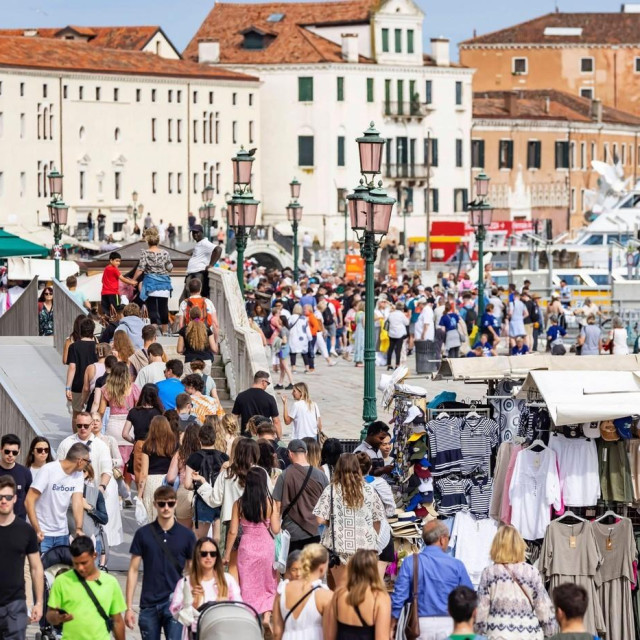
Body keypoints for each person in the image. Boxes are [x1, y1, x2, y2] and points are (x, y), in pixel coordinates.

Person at [126, 486, 196, 640]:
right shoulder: (143, 534)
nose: (166, 508)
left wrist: (192, 603)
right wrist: (129, 607)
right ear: (155, 504)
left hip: (176, 603)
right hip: (149, 603)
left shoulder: (187, 536)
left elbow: (193, 572)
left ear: (176, 504)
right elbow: (133, 570)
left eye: (170, 504)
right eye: (162, 504)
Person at [390, 520, 473, 640]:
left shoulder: (410, 562)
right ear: (442, 539)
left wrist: (393, 623)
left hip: (419, 624)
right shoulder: (456, 565)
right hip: (450, 624)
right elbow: (468, 597)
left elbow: (399, 597)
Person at [313, 453, 385, 589]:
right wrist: (372, 534)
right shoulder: (369, 490)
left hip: (339, 547)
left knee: (340, 591)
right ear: (357, 468)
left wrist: (333, 522)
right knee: (362, 591)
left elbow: (319, 518)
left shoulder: (331, 490)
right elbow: (378, 519)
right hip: (365, 547)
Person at [474, 525, 556, 640]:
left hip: (498, 634)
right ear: (520, 546)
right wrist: (549, 631)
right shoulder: (531, 572)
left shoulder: (489, 573)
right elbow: (543, 607)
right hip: (529, 634)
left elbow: (481, 609)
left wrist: (479, 631)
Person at [225, 467, 281, 630]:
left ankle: (249, 615)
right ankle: (266, 616)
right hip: (266, 547)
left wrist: (227, 553)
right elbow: (276, 530)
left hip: (246, 547)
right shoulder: (270, 503)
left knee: (248, 582)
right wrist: (275, 515)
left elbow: (233, 531)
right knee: (267, 582)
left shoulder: (239, 504)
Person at [47, 536, 125, 640]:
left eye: (84, 563)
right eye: (76, 563)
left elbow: (118, 621)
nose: (80, 568)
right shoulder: (61, 581)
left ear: (94, 556)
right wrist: (57, 618)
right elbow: (50, 614)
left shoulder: (110, 583)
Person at [170, 537, 241, 639]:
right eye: (204, 554)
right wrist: (189, 602)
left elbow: (240, 608)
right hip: (197, 634)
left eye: (213, 554)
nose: (209, 557)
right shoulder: (185, 582)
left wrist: (227, 605)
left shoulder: (227, 580)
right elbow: (176, 614)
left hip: (222, 633)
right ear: (197, 556)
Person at [0, 475, 44, 640]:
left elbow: (36, 567)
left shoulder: (26, 531)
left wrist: (38, 603)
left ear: (15, 499)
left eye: (8, 497)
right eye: (0, 497)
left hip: (16, 605)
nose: (4, 501)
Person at [25, 443, 90, 553]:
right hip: (43, 533)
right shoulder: (49, 470)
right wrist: (37, 529)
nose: (88, 465)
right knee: (41, 569)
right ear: (80, 461)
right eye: (88, 461)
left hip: (62, 534)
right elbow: (29, 500)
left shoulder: (78, 475)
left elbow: (78, 502)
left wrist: (79, 528)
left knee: (61, 570)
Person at [273, 439, 328, 553]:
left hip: (291, 533)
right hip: (315, 531)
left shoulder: (285, 475)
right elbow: (327, 504)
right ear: (306, 453)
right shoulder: (321, 475)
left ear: (290, 454)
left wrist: (275, 529)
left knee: (293, 568)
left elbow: (277, 507)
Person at [323, 549, 391, 640]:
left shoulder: (338, 595)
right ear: (374, 570)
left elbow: (329, 637)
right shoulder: (379, 598)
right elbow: (382, 637)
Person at [272, 543, 333, 640]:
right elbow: (329, 635)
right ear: (322, 567)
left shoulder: (283, 590)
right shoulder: (325, 594)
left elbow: (276, 632)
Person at [184, 422, 229, 538]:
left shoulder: (194, 458)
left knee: (199, 538)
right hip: (221, 500)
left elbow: (187, 484)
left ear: (199, 440)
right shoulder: (224, 457)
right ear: (215, 438)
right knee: (218, 539)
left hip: (203, 500)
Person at [356, 452, 396, 579]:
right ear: (370, 468)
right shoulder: (380, 483)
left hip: (358, 534)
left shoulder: (348, 485)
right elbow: (391, 507)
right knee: (379, 576)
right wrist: (386, 514)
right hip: (381, 533)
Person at [99, 361, 141, 479]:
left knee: (114, 461)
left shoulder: (106, 389)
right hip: (129, 427)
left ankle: (117, 493)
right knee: (129, 463)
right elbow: (138, 409)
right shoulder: (134, 388)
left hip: (113, 426)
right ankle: (126, 490)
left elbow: (101, 411)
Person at [138, 416, 178, 522]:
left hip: (151, 482)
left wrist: (139, 494)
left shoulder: (147, 445)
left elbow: (143, 473)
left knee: (152, 514)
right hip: (169, 480)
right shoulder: (174, 444)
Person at [122, 383, 164, 480]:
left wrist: (135, 442)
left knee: (140, 476)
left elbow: (125, 434)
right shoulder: (159, 412)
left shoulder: (133, 411)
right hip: (155, 446)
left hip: (139, 445)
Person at [65, 317, 98, 428]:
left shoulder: (74, 347)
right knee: (93, 413)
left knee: (76, 414)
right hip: (94, 383)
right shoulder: (97, 346)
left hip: (77, 384)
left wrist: (68, 387)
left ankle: (77, 438)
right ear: (92, 331)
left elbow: (72, 367)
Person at [232, 370, 281, 437]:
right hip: (264, 436)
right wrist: (279, 439)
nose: (267, 385)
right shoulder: (270, 398)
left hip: (246, 437)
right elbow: (276, 421)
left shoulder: (241, 396)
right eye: (268, 383)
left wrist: (233, 434)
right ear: (263, 382)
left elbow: (234, 418)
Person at [183, 225, 222, 301]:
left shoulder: (204, 243)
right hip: (193, 274)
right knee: (189, 299)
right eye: (193, 233)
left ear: (201, 233)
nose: (195, 235)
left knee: (195, 299)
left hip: (198, 274)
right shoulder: (199, 244)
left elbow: (218, 249)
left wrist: (211, 265)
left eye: (197, 232)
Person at [0, 434, 32, 519]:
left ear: (19, 452)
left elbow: (29, 499)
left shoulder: (25, 473)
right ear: (1, 450)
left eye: (14, 452)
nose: (10, 455)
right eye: (7, 451)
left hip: (19, 522)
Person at [288, 304, 313, 373]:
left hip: (293, 337)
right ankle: (307, 368)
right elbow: (307, 329)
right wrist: (310, 337)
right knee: (304, 353)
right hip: (303, 338)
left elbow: (288, 327)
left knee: (293, 353)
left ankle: (294, 368)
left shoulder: (291, 317)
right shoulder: (304, 318)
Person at [385, 301, 410, 370]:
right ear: (402, 308)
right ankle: (397, 364)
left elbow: (387, 321)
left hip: (391, 333)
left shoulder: (391, 314)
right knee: (398, 350)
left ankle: (389, 364)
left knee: (390, 349)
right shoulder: (402, 315)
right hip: (399, 333)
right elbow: (407, 322)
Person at [353, 301, 365, 367]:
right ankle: (360, 360)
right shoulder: (363, 314)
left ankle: (356, 360)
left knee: (357, 344)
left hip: (357, 329)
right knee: (361, 344)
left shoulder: (357, 313)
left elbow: (355, 322)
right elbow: (363, 324)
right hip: (362, 330)